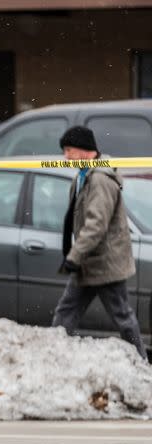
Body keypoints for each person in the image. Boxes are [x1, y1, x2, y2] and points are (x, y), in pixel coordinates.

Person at [52, 126, 147, 361]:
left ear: (85, 151)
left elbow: (96, 225)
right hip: (89, 263)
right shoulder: (84, 175)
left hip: (105, 265)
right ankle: (53, 356)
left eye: (69, 150)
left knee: (122, 317)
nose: (66, 156)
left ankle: (142, 362)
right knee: (66, 312)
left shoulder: (100, 180)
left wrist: (74, 256)